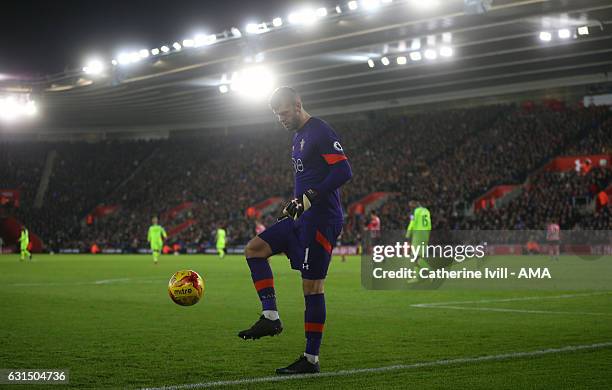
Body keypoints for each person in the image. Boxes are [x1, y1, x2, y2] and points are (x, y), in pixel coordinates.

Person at [238, 86, 352, 375]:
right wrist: (297, 202)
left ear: (299, 104)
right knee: (254, 250)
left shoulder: (320, 131)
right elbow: (309, 177)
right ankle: (271, 316)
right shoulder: (298, 137)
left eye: (284, 113)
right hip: (301, 217)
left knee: (312, 286)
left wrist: (312, 196)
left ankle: (310, 359)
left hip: (321, 220)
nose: (281, 119)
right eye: (277, 115)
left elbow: (343, 172)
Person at [405, 200, 431, 272]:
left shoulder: (415, 211)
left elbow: (412, 224)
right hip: (425, 235)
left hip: (418, 235)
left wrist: (407, 235)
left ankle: (431, 272)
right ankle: (417, 276)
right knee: (420, 256)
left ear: (414, 204)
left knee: (414, 256)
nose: (410, 207)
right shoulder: (426, 211)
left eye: (410, 205)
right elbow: (429, 225)